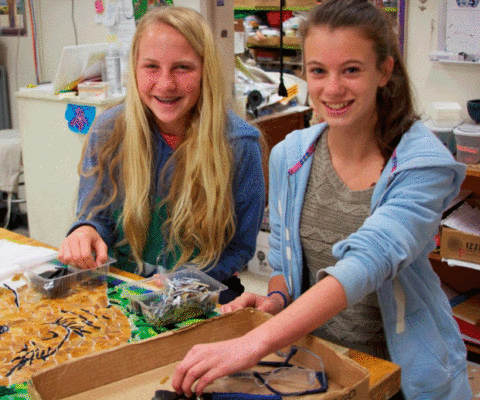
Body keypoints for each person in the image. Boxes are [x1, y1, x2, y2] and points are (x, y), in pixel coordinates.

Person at [171, 0, 472, 399]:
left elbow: (369, 259)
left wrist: (253, 343)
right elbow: (283, 260)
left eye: (351, 70)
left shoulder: (423, 164)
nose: (332, 88)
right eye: (318, 71)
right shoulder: (291, 156)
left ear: (384, 71)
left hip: (401, 374)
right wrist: (276, 298)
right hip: (318, 365)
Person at [57, 6, 265, 303]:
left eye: (183, 68)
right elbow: (96, 215)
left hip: (200, 299)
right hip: (122, 292)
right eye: (151, 67)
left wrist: (181, 282)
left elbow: (240, 247)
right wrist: (85, 230)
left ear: (206, 70)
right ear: (134, 68)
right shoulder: (107, 131)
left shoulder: (239, 144)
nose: (166, 84)